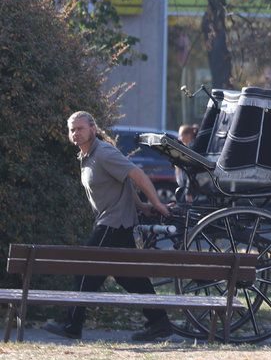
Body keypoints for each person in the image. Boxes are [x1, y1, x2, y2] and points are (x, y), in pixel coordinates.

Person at [43, 111, 174, 342]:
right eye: (72, 130)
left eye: (80, 128)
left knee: (85, 270)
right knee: (131, 277)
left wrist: (156, 204)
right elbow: (122, 181)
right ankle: (160, 324)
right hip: (117, 222)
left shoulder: (103, 152)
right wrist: (141, 206)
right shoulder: (86, 156)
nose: (75, 133)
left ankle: (72, 325)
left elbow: (136, 174)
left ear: (93, 129)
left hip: (112, 223)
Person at [175, 123, 198, 201]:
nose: (179, 138)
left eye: (181, 135)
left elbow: (192, 170)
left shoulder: (192, 148)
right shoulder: (186, 147)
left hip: (190, 184)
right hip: (185, 182)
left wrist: (189, 192)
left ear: (188, 135)